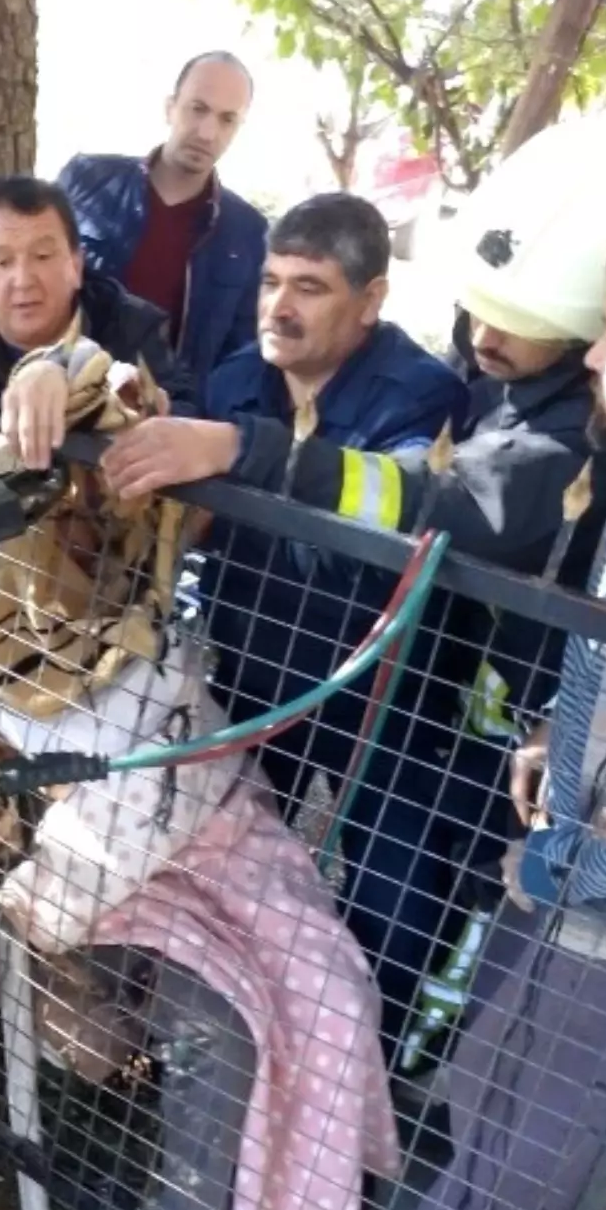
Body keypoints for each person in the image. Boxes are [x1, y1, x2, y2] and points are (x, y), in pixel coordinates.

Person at [102, 143, 606, 1067]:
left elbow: (443, 503)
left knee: (395, 914)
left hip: (418, 716)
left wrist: (247, 451)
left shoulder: (543, 428)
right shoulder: (492, 389)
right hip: (265, 674)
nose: (480, 334)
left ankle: (359, 1084)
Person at [409, 239, 606, 1210]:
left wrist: (585, 850)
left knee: (552, 1094)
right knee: (498, 1048)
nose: (597, 352)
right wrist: (557, 726)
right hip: (568, 846)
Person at [105, 191, 468, 822]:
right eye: (270, 281)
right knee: (217, 866)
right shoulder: (238, 377)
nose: (278, 307)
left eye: (310, 287)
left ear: (372, 299)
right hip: (251, 672)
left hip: (376, 699)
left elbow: (403, 518)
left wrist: (244, 453)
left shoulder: (420, 396)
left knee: (391, 907)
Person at [0, 174, 186, 464]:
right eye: (3, 262)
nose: (23, 280)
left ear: (76, 266)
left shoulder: (130, 326)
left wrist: (76, 372)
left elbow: (186, 420)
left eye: (42, 256)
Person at [59, 51, 266, 399]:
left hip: (164, 423)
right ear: (170, 107)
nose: (207, 132)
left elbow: (242, 357)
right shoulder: (87, 181)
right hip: (62, 396)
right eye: (197, 108)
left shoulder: (248, 234)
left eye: (227, 119)